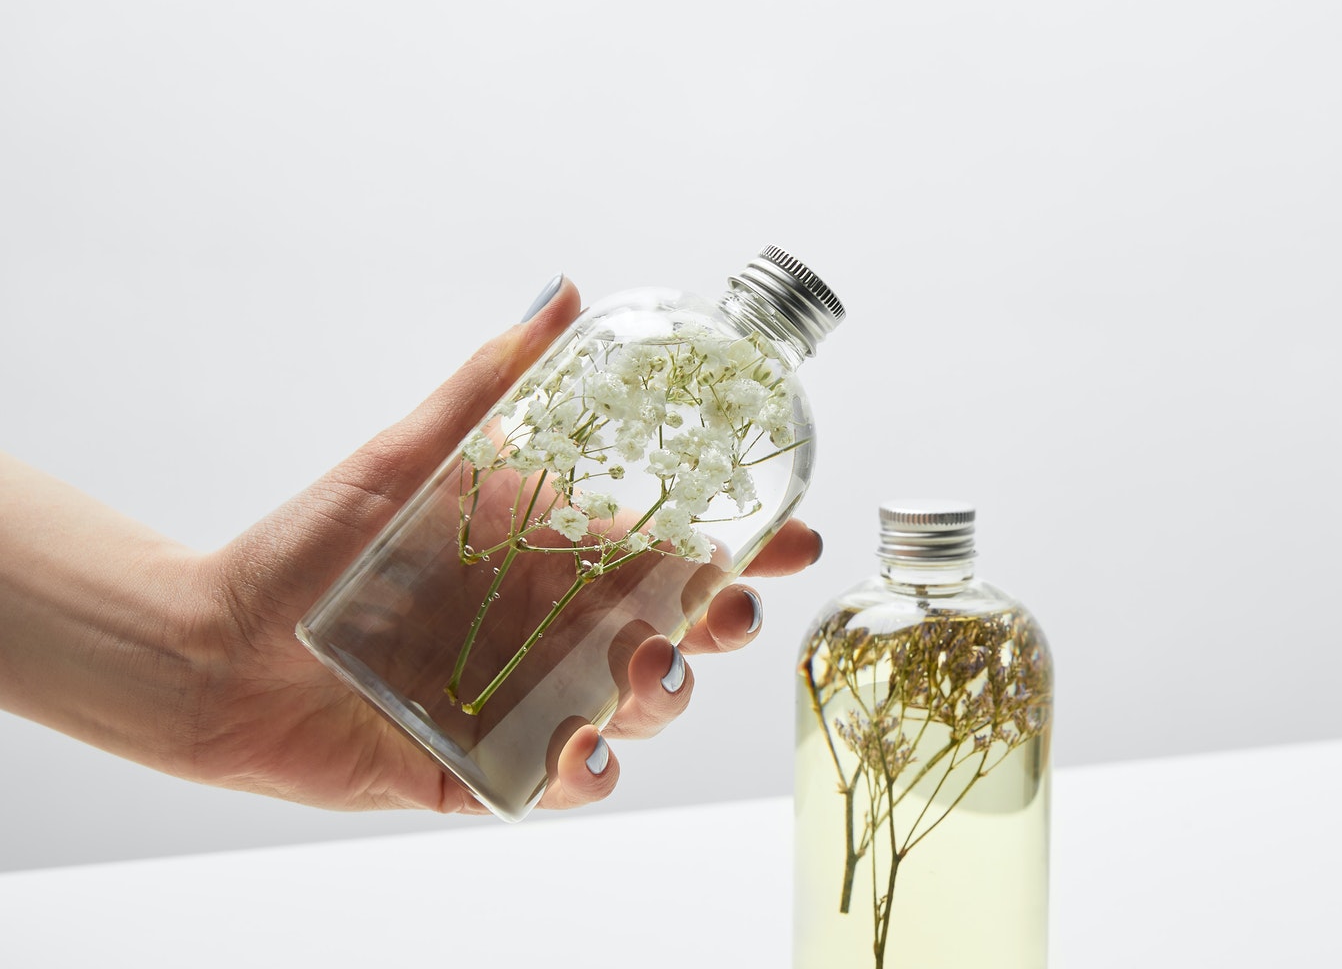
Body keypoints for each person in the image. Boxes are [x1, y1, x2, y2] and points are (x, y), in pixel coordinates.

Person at [0, 276, 821, 814]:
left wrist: (205, 660)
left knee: (628, 627)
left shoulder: (744, 402)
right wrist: (205, 649)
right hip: (345, 641)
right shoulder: (648, 327)